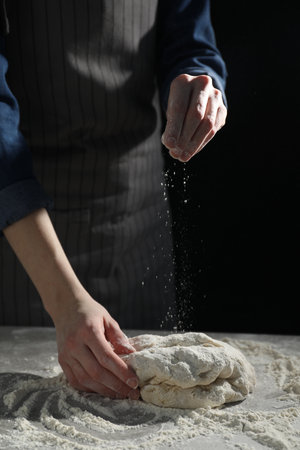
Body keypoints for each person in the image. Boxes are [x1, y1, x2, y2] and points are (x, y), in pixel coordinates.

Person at [0, 0, 227, 399]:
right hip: (29, 232)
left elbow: (190, 37)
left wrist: (199, 76)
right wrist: (62, 298)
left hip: (136, 211)